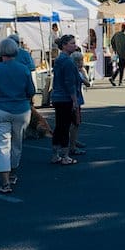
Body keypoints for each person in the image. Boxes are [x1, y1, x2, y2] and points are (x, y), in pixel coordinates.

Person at [0, 38, 36, 194]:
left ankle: (5, 183)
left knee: (1, 146)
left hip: (0, 110)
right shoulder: (24, 69)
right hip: (21, 110)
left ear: (0, 52)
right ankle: (13, 173)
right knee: (17, 144)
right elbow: (31, 91)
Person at [49, 34, 81, 165]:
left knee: (59, 126)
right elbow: (69, 82)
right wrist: (74, 100)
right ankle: (65, 155)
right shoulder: (67, 61)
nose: (75, 45)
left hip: (58, 96)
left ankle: (56, 154)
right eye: (72, 43)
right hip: (65, 97)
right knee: (65, 126)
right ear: (64, 45)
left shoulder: (59, 59)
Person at [70, 50, 91, 157]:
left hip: (73, 98)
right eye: (80, 61)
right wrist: (83, 74)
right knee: (76, 123)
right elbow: (87, 83)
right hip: (75, 99)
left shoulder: (73, 71)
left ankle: (73, 141)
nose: (82, 63)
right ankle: (72, 145)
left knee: (73, 123)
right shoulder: (77, 72)